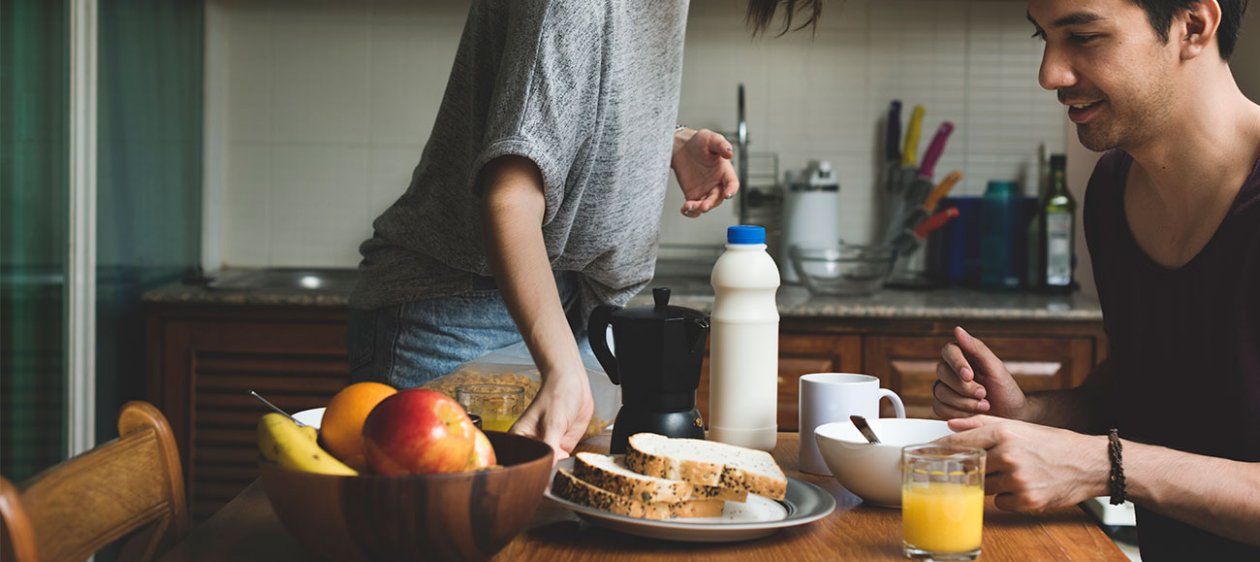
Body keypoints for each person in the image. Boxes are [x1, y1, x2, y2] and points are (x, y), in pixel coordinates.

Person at [347, 0, 822, 460]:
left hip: (570, 310)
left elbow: (581, 96)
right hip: (462, 318)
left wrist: (665, 139)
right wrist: (562, 368)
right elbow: (511, 199)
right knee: (446, 529)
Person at [931, 0, 1260, 559]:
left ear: (1194, 26)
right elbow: (1157, 389)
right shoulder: (1112, 191)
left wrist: (1099, 464)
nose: (1050, 75)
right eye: (1044, 39)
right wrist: (1032, 415)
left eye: (1083, 36)